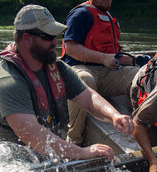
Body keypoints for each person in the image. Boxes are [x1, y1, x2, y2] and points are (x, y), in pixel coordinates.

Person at [0, 5, 132, 161]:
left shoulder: (56, 67)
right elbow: (32, 135)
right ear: (27, 38)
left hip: (40, 149)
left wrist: (115, 116)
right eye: (48, 36)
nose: (55, 42)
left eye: (56, 35)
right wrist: (82, 152)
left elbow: (87, 96)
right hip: (7, 159)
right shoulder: (9, 81)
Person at [61, 0, 142, 145]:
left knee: (140, 76)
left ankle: (141, 128)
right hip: (79, 67)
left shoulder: (108, 17)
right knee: (85, 79)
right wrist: (103, 58)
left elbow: (113, 55)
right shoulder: (81, 14)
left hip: (106, 72)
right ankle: (73, 140)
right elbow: (71, 48)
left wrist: (137, 60)